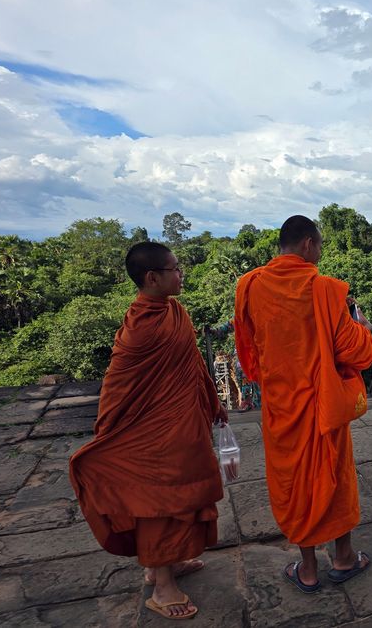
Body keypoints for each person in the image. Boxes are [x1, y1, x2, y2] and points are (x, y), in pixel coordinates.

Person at [69, 242, 227, 620]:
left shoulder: (175, 311)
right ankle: (162, 587)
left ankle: (164, 565)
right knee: (161, 502)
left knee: (184, 494)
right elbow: (119, 386)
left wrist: (214, 402)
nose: (181, 274)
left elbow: (194, 365)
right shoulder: (140, 329)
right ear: (152, 278)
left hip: (182, 426)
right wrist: (111, 432)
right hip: (155, 437)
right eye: (174, 269)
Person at [233, 215, 372, 594]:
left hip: (281, 405)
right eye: (321, 246)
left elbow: (247, 345)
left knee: (294, 482)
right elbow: (356, 351)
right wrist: (364, 329)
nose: (320, 253)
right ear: (309, 245)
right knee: (334, 477)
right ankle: (343, 557)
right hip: (322, 401)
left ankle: (308, 569)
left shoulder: (250, 285)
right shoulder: (325, 289)